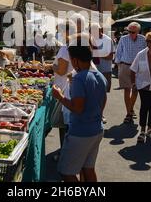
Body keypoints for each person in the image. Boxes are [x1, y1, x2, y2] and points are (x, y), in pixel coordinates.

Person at [51, 34, 107, 182]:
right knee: (88, 169)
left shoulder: (79, 78)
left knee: (66, 171)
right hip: (96, 128)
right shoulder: (99, 75)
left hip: (81, 132)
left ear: (74, 59)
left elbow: (77, 108)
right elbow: (103, 101)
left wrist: (60, 97)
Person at [52, 21, 76, 161]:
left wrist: (51, 66)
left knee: (64, 123)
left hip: (63, 87)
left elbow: (61, 71)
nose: (58, 34)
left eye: (59, 31)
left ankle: (65, 153)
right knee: (69, 123)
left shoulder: (65, 49)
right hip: (70, 86)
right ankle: (67, 151)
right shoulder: (74, 46)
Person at [114, 22, 147, 124]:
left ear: (138, 31)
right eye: (129, 31)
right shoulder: (123, 39)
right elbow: (118, 51)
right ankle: (129, 113)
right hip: (125, 65)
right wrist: (118, 64)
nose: (131, 33)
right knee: (127, 90)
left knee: (135, 90)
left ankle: (130, 109)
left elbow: (146, 52)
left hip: (138, 68)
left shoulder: (143, 39)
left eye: (133, 32)